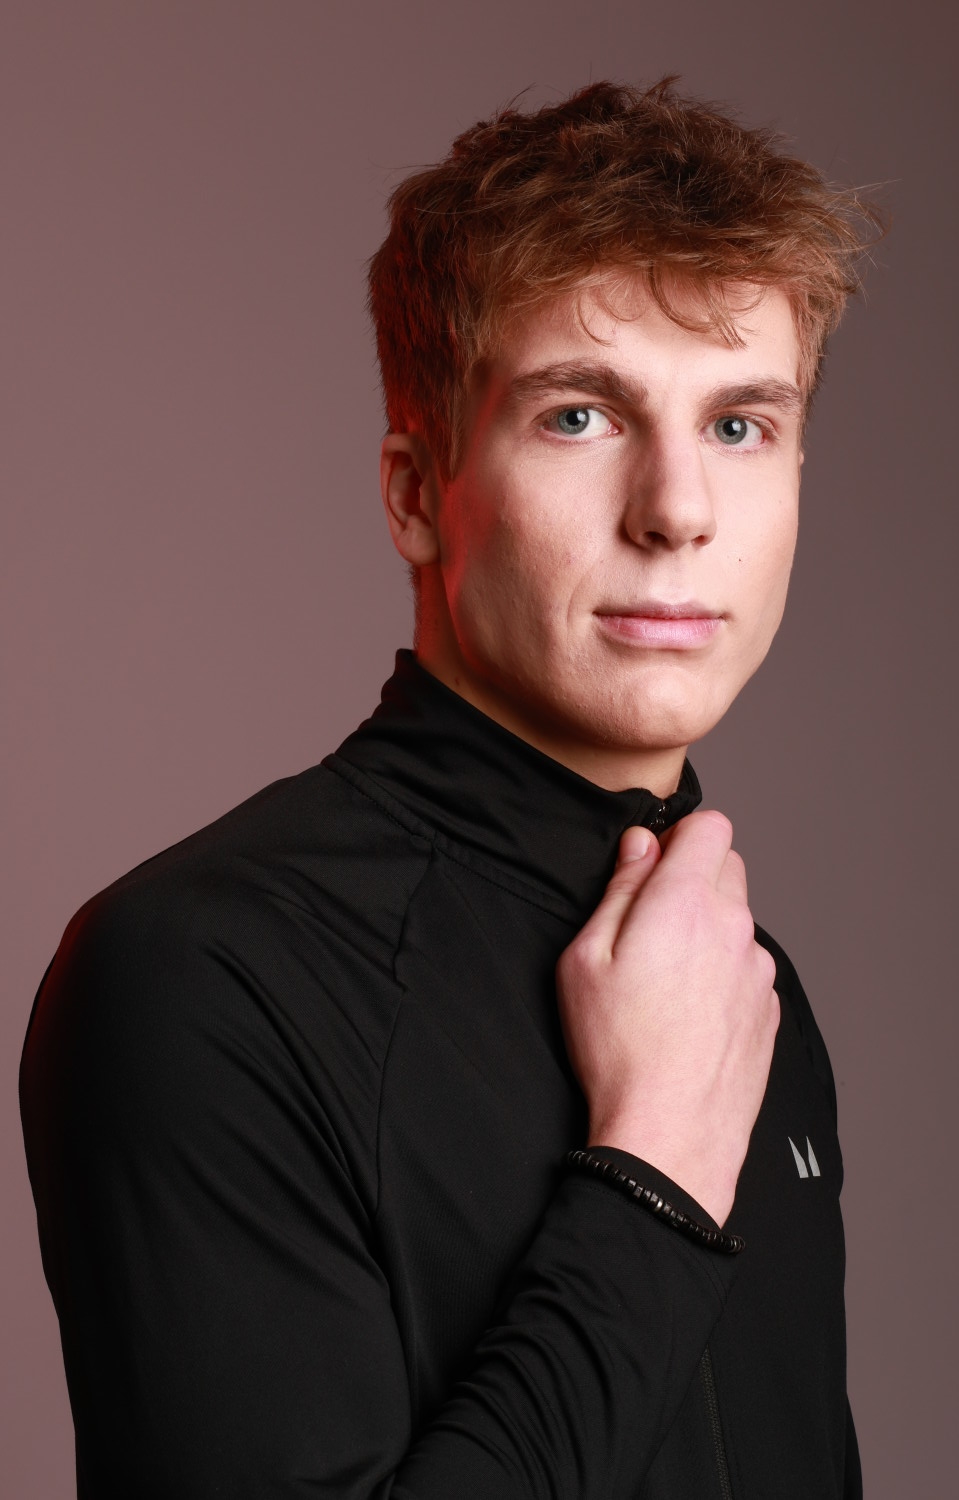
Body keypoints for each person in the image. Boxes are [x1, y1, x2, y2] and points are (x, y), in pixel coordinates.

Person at [20, 77, 883, 1498]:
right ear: (417, 492)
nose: (678, 510)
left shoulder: (743, 986)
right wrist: (655, 1171)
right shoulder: (199, 973)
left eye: (740, 425)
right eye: (581, 416)